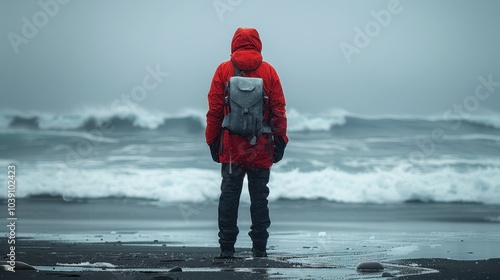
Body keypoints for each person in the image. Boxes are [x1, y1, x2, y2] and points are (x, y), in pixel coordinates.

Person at [205, 27, 288, 258]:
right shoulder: (269, 71)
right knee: (259, 197)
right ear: (258, 44)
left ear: (234, 44)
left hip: (232, 148)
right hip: (260, 147)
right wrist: (281, 140)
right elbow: (278, 110)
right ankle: (260, 249)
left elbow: (214, 111)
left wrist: (212, 140)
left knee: (229, 196)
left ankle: (226, 249)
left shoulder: (223, 70)